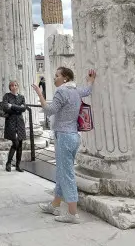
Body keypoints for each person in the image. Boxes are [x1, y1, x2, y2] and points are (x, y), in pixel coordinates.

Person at [32, 67, 95, 224]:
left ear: (65, 78)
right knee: (62, 171)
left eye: (57, 75)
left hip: (64, 137)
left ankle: (72, 213)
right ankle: (55, 204)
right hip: (74, 136)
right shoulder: (76, 91)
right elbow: (87, 90)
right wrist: (91, 81)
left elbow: (48, 111)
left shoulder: (61, 92)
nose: (54, 78)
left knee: (66, 174)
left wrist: (40, 95)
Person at [0, 80, 27, 172]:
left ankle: (18, 165)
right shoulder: (6, 96)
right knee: (15, 143)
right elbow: (5, 108)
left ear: (18, 86)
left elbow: (23, 108)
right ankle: (8, 162)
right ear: (9, 87)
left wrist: (12, 106)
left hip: (20, 122)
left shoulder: (21, 97)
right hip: (10, 122)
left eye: (15, 85)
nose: (14, 87)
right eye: (12, 85)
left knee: (20, 144)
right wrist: (16, 108)